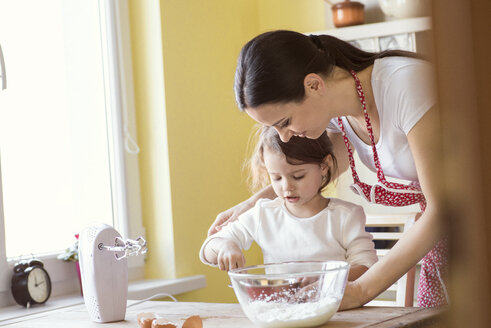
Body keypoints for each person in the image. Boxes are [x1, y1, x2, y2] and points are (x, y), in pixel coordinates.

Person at [208, 30, 448, 308]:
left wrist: (358, 291)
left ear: (313, 85)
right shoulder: (338, 116)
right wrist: (251, 204)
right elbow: (318, 172)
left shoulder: (406, 85)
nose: (284, 137)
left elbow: (442, 209)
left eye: (285, 121)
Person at [200, 126, 378, 282]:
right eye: (276, 178)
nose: (286, 187)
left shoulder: (346, 216)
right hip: (281, 312)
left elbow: (367, 267)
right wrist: (225, 246)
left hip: (336, 313)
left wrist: (325, 280)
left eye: (298, 176)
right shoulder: (264, 214)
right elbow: (209, 248)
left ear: (324, 165)